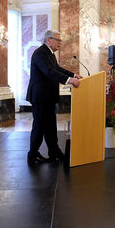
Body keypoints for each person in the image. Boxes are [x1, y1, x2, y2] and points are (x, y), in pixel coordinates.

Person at [26, 30, 82, 165]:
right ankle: (32, 155)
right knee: (39, 127)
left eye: (60, 40)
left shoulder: (49, 54)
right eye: (58, 40)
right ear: (48, 40)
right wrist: (69, 80)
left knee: (50, 126)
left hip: (48, 97)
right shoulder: (40, 53)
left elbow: (57, 69)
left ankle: (54, 152)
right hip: (40, 97)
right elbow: (49, 72)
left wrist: (73, 76)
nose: (60, 43)